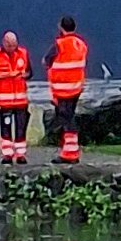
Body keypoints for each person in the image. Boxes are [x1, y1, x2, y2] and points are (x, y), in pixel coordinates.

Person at [46, 15, 89, 165]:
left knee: (67, 120)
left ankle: (70, 153)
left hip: (62, 89)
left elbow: (47, 61)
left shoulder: (59, 45)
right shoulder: (81, 44)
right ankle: (71, 151)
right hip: (76, 88)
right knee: (70, 117)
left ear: (61, 27)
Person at [0, 31, 31, 166]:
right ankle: (7, 155)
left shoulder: (23, 53)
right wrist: (8, 75)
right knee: (6, 128)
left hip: (21, 101)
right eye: (10, 46)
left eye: (14, 46)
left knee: (21, 128)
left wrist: (23, 75)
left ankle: (21, 155)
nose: (12, 48)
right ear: (4, 43)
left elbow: (30, 72)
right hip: (5, 101)